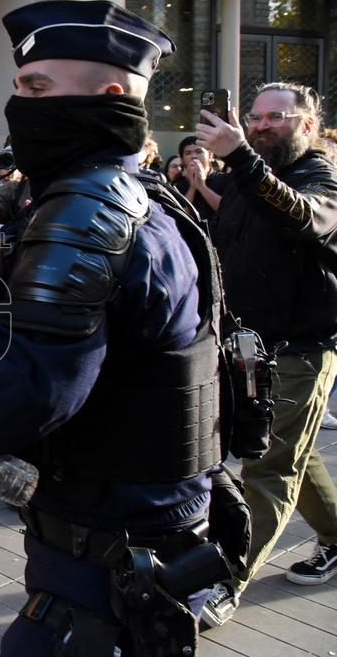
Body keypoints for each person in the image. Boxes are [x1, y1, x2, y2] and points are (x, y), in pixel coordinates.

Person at [0, 0, 227, 656]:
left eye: (37, 88)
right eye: (19, 87)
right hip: (124, 549)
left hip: (107, 574)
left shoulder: (90, 217)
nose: (20, 107)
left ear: (110, 95)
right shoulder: (133, 198)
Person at [198, 82, 337, 625]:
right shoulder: (243, 180)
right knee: (292, 452)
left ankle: (226, 580)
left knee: (267, 468)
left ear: (308, 125)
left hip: (298, 351)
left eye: (277, 116)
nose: (261, 126)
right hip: (243, 349)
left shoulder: (321, 178)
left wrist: (239, 157)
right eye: (255, 117)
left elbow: (302, 216)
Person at [176, 135, 228, 221]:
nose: (193, 156)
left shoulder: (225, 180)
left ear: (210, 156)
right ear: (182, 160)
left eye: (199, 151)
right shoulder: (178, 186)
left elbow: (228, 210)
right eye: (188, 153)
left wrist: (202, 186)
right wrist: (192, 188)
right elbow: (178, 216)